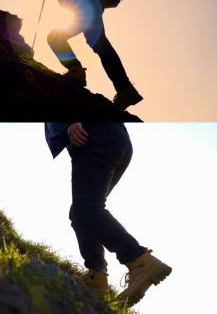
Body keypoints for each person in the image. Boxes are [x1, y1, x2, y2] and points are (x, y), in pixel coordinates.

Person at [44, 122, 171, 306]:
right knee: (82, 212)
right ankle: (98, 276)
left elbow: (63, 92)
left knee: (86, 209)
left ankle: (139, 260)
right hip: (114, 139)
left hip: (94, 136)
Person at [28, 0, 143, 110]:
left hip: (85, 7)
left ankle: (77, 72)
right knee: (99, 45)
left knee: (55, 37)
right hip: (90, 5)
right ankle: (125, 88)